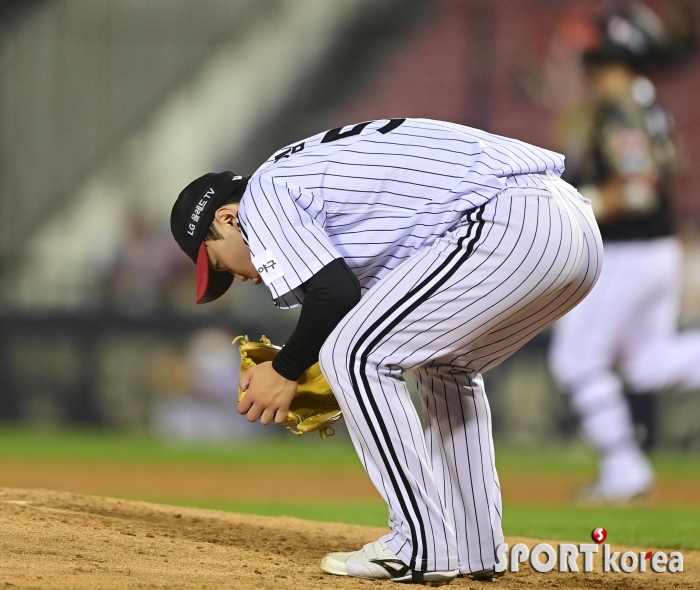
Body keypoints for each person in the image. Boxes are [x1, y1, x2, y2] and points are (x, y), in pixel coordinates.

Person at [170, 118, 602, 583]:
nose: (237, 277)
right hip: (574, 233)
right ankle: (477, 545)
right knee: (443, 367)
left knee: (354, 357)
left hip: (509, 222)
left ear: (227, 219)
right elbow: (347, 300)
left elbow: (334, 296)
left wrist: (287, 368)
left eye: (218, 264)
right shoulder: (316, 190)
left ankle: (418, 543)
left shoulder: (262, 198)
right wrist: (308, 361)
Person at [548, 2, 699, 502]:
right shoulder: (646, 101)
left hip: (630, 253)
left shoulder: (622, 108)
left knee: (576, 362)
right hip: (654, 250)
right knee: (649, 365)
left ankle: (623, 471)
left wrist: (573, 205)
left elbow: (638, 190)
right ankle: (624, 470)